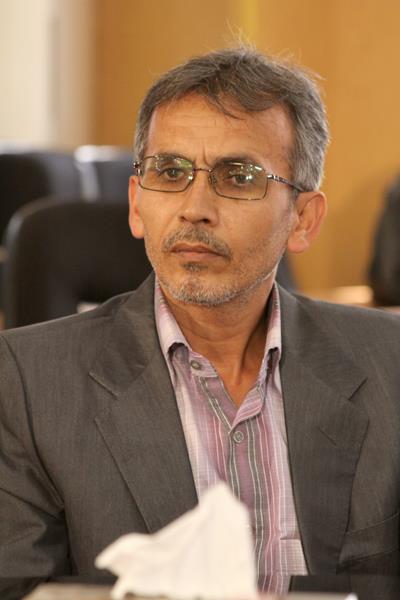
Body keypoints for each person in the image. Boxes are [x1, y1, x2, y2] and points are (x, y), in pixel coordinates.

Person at [1, 47, 400, 586]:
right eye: (170, 172)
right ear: (136, 204)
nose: (194, 208)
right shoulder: (26, 385)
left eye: (238, 177)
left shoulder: (390, 365)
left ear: (303, 219)